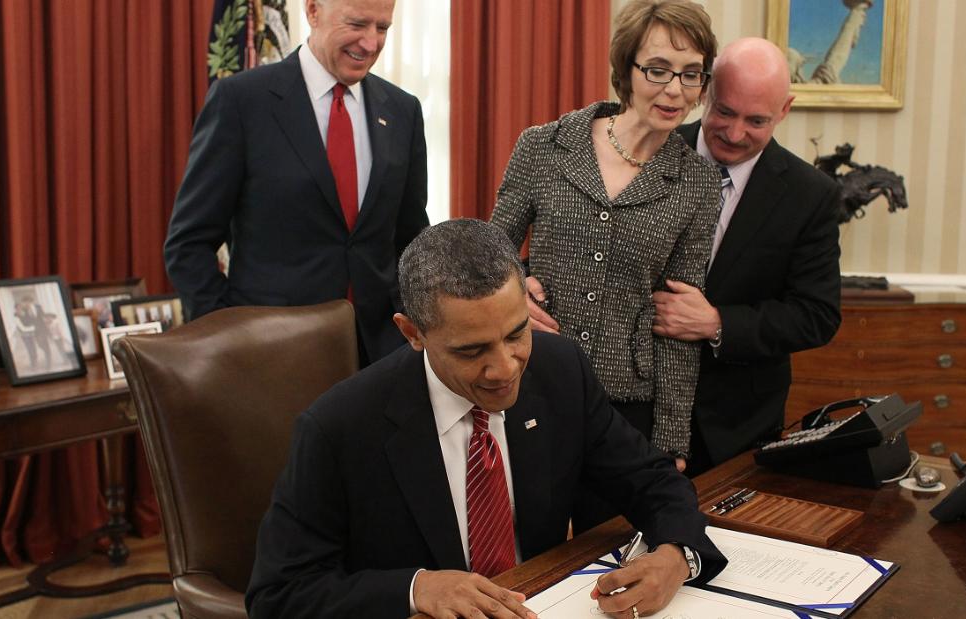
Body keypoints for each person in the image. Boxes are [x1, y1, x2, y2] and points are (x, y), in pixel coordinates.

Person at [246, 219, 727, 619]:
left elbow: (653, 482)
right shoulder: (339, 428)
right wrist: (416, 590)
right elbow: (279, 594)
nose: (504, 368)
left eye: (517, 333)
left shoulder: (560, 372)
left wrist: (677, 556)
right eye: (472, 350)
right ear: (412, 333)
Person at [489, 0, 721, 530]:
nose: (674, 91)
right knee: (529, 553)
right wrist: (514, 292)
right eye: (658, 70)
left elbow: (679, 318)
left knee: (604, 557)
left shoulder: (698, 185)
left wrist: (670, 439)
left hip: (625, 405)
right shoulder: (545, 145)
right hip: (531, 383)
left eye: (691, 75)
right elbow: (491, 249)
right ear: (627, 69)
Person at [164, 0, 428, 364]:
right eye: (356, 24)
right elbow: (188, 243)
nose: (370, 44)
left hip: (381, 357)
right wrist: (225, 335)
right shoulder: (242, 101)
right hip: (271, 356)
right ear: (313, 11)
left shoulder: (402, 111)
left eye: (382, 28)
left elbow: (411, 239)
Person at [660, 37, 842, 474]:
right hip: (633, 414)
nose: (735, 134)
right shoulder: (648, 157)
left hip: (736, 429)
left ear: (784, 111)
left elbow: (816, 314)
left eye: (756, 120)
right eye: (724, 112)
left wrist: (717, 323)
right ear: (705, 91)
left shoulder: (811, 195)